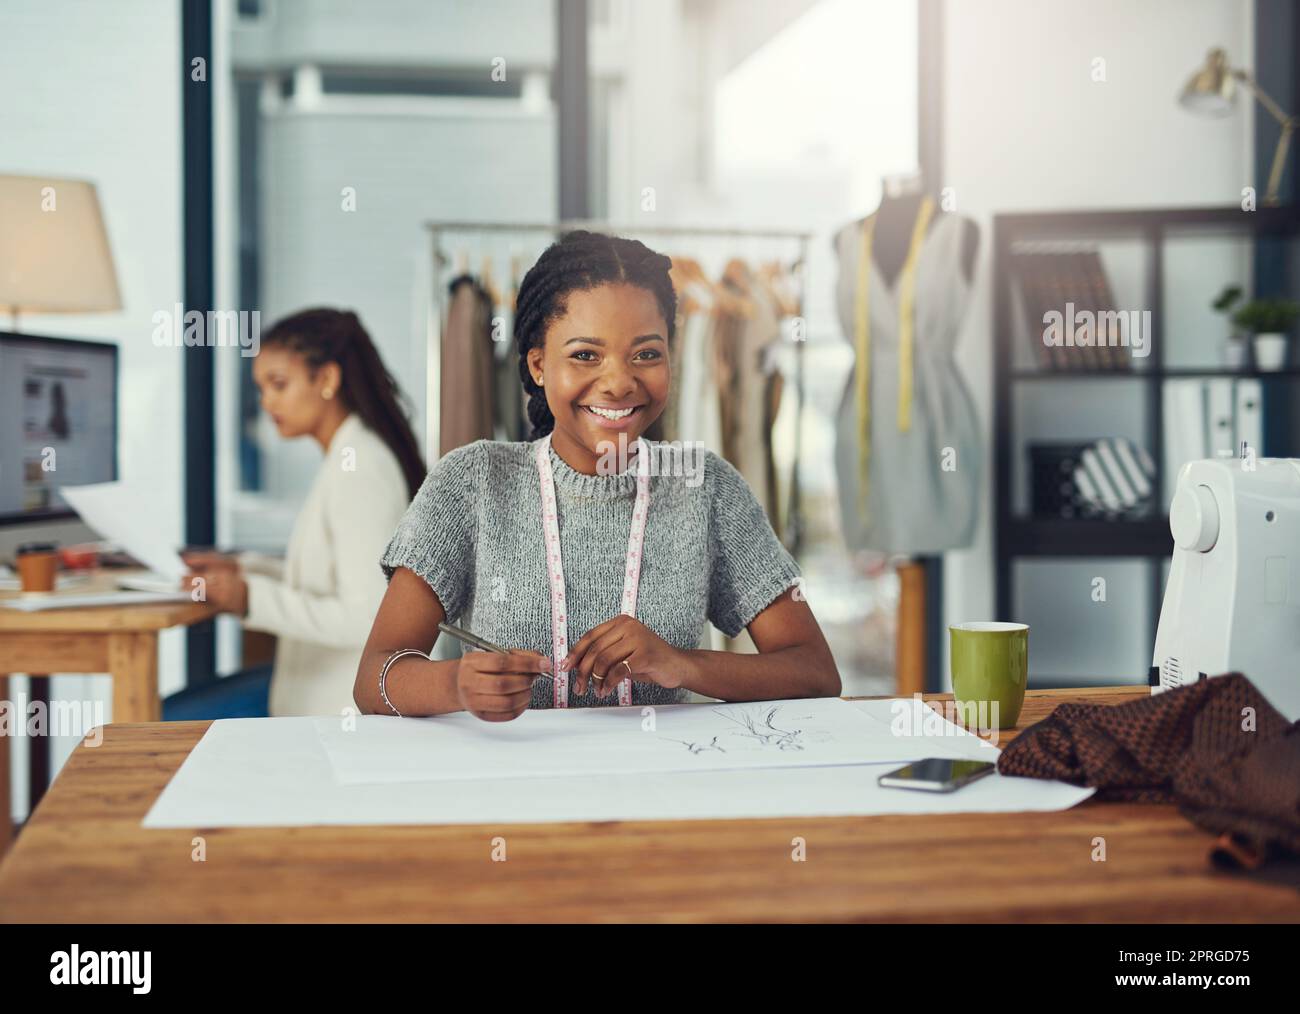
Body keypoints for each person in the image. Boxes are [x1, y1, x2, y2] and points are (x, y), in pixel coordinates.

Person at [355, 231, 840, 722]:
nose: (619, 382)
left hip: (659, 784)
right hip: (513, 787)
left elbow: (815, 671)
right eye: (586, 355)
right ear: (540, 366)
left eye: (646, 354)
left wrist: (682, 665)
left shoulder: (705, 486)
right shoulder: (473, 482)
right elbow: (374, 678)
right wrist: (455, 684)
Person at [166, 308, 423, 719]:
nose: (267, 402)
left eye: (279, 385)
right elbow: (328, 578)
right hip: (312, 687)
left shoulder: (359, 468)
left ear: (327, 380)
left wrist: (250, 598)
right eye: (262, 389)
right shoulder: (349, 455)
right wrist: (240, 566)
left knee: (164, 719)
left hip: (335, 705)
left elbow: (368, 617)